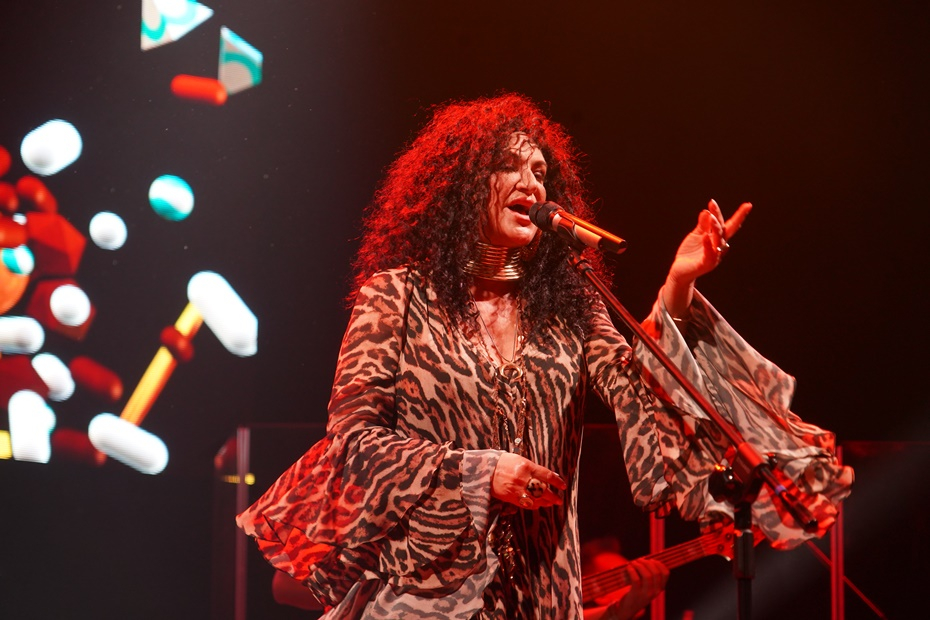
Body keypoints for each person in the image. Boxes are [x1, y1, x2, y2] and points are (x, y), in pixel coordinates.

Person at [237, 93, 852, 619]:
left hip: (541, 598)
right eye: (509, 166)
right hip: (423, 597)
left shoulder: (572, 307)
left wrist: (677, 286)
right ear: (461, 185)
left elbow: (643, 393)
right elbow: (353, 443)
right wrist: (478, 471)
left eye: (540, 171)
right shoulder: (396, 296)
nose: (533, 183)